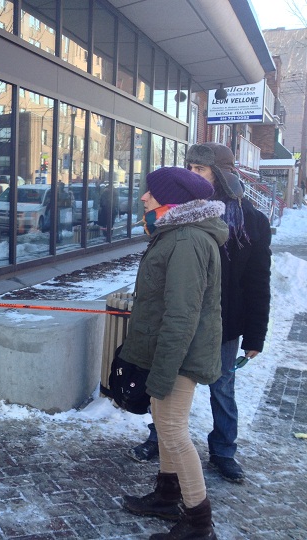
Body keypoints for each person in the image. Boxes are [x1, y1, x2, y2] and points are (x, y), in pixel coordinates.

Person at [129, 143, 272, 485]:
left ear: (221, 176)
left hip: (222, 322)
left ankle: (223, 451)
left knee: (221, 387)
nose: (192, 175)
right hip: (179, 317)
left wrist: (255, 334)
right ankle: (159, 437)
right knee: (167, 385)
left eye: (200, 170)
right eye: (189, 168)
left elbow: (258, 281)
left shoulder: (250, 220)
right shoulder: (180, 215)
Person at [120, 167, 228, 540]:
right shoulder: (174, 235)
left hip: (180, 356)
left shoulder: (186, 241)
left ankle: (200, 523)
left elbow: (182, 315)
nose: (143, 198)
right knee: (165, 426)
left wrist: (163, 372)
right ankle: (167, 497)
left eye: (150, 193)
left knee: (172, 430)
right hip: (170, 353)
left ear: (174, 202)